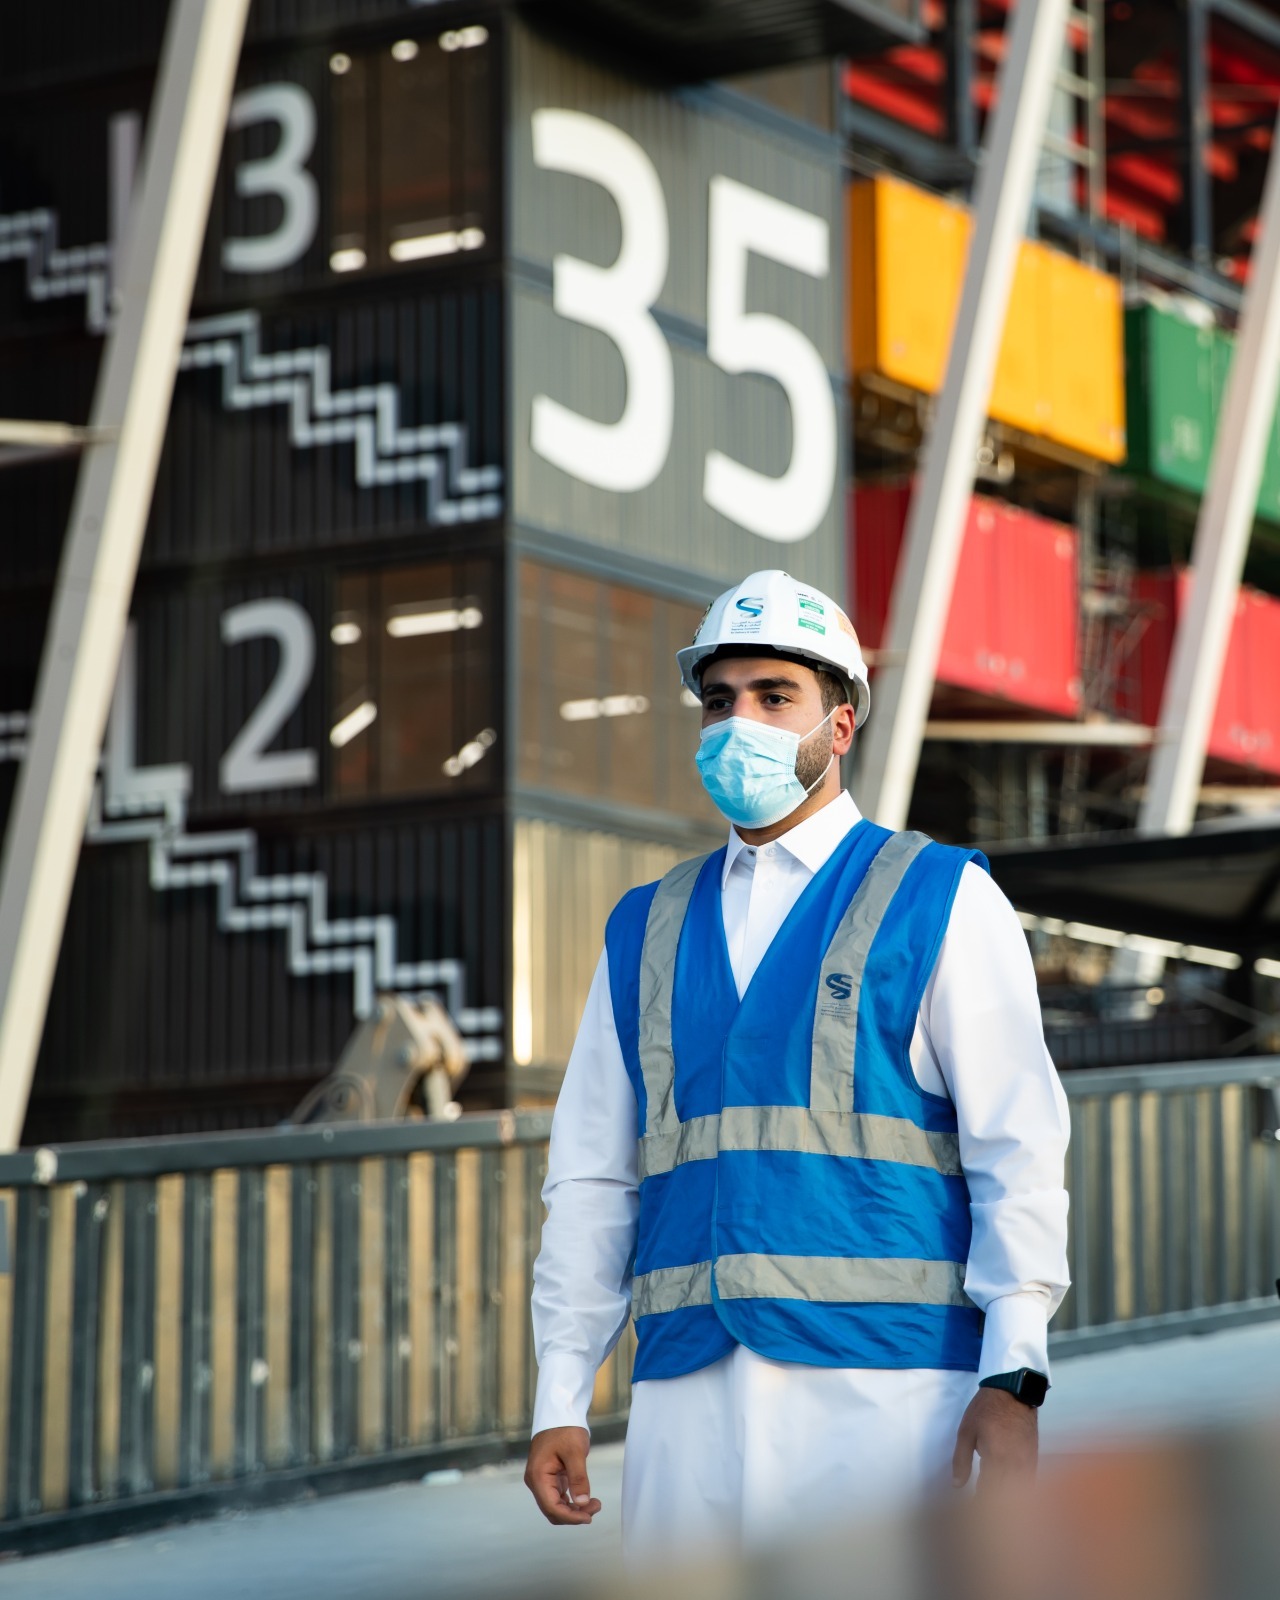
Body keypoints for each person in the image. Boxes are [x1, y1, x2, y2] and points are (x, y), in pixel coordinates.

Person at [524, 569, 1070, 1559]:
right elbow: (592, 1179)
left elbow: (1017, 1150)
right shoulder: (643, 929)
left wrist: (1013, 1372)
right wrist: (559, 1391)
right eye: (719, 700)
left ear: (840, 724)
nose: (740, 722)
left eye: (775, 696)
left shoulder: (940, 897)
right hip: (686, 1400)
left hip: (890, 1395)